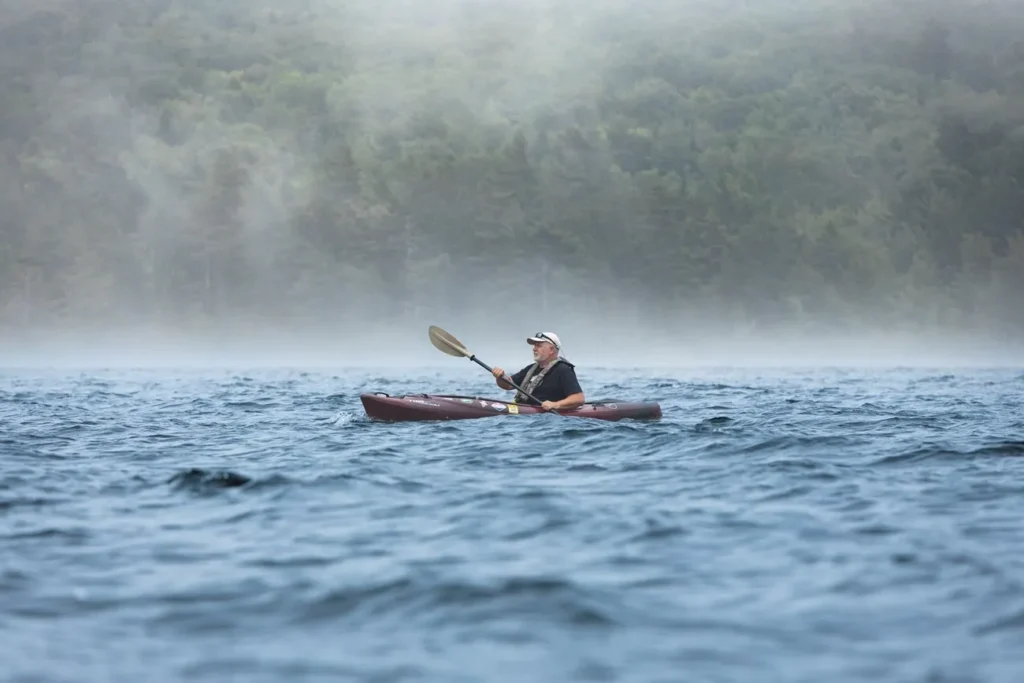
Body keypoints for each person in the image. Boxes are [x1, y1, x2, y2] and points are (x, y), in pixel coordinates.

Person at [491, 332, 585, 411]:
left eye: (538, 346)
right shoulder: (531, 369)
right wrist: (500, 377)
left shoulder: (563, 370)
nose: (534, 349)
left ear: (551, 349)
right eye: (534, 346)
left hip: (547, 419)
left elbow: (578, 398)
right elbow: (508, 385)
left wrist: (555, 405)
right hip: (526, 414)